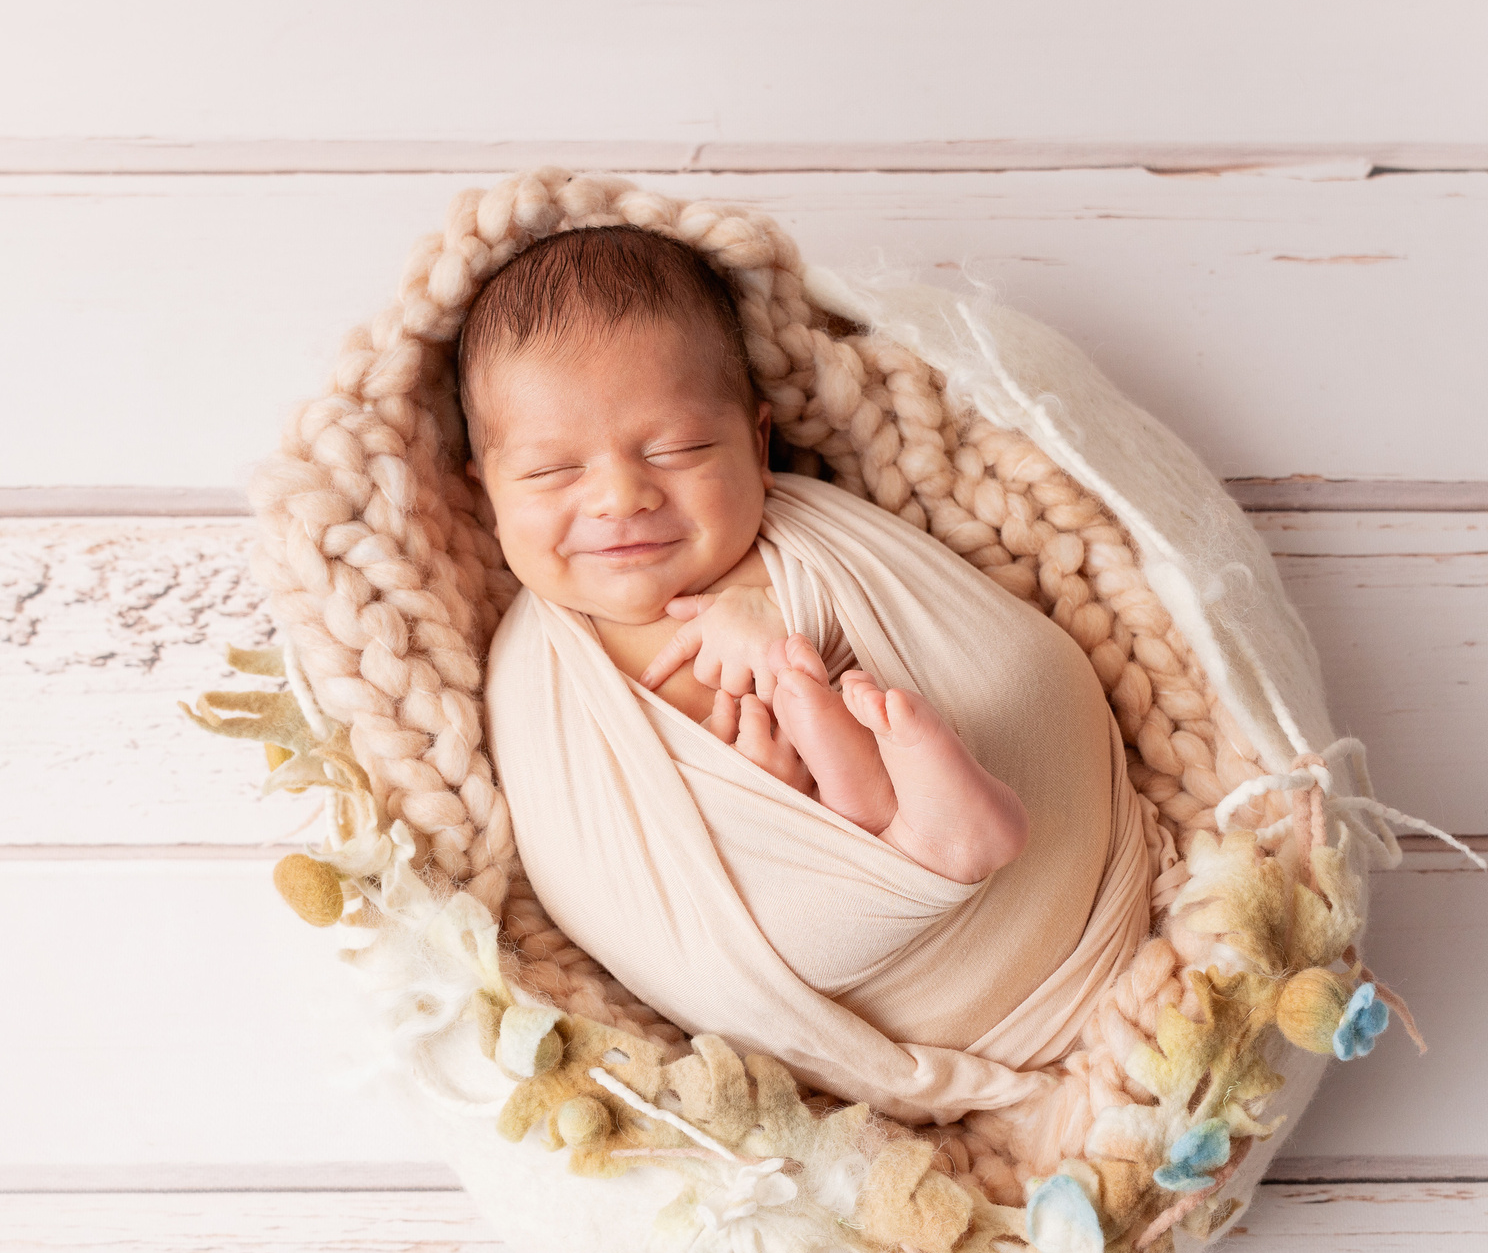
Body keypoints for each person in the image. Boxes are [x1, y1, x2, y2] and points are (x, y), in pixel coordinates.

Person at [473, 227, 1160, 1125]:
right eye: (552, 471)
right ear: (486, 493)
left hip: (1061, 867)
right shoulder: (533, 676)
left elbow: (988, 644)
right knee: (760, 951)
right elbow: (604, 889)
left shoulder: (805, 533)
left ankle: (911, 816)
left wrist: (769, 611)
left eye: (675, 450)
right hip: (842, 959)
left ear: (757, 445)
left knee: (1010, 687)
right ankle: (920, 845)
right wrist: (774, 802)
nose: (618, 497)